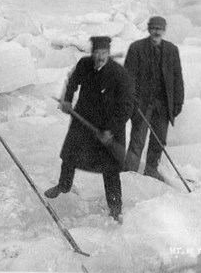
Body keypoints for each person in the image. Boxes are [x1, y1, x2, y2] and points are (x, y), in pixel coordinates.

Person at [45, 36, 134, 223]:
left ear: (108, 53)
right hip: (83, 119)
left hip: (109, 126)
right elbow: (73, 82)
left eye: (104, 53)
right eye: (97, 53)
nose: (100, 57)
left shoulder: (120, 74)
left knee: (110, 169)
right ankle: (63, 186)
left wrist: (110, 129)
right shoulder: (84, 64)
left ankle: (115, 208)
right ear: (92, 53)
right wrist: (68, 99)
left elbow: (127, 107)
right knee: (69, 155)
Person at [124, 16, 184, 181]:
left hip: (163, 105)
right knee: (138, 140)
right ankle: (129, 173)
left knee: (159, 140)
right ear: (149, 29)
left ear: (164, 30)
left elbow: (177, 78)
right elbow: (128, 77)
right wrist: (131, 99)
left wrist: (178, 102)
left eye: (159, 28)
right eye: (154, 28)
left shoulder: (172, 50)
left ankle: (151, 170)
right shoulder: (136, 48)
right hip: (141, 104)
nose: (156, 31)